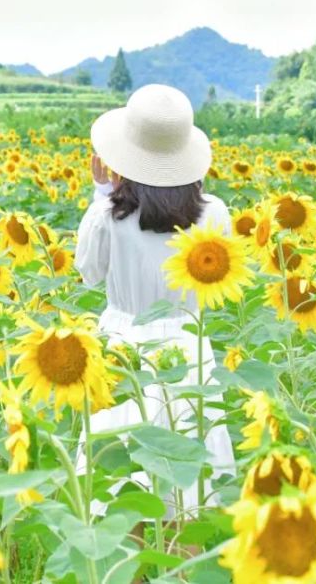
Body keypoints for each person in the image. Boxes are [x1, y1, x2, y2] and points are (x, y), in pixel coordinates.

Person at [74, 83, 236, 519]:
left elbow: (88, 271)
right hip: (188, 347)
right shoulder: (214, 211)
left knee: (121, 488)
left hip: (123, 347)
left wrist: (100, 195)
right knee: (187, 489)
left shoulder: (110, 213)